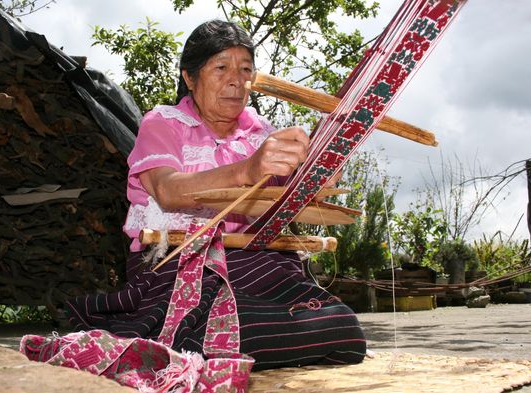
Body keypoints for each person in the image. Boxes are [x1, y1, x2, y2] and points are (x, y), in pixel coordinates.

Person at [65, 19, 366, 371]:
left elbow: (290, 198)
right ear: (190, 78)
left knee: (345, 330)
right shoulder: (163, 123)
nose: (236, 81)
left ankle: (195, 340)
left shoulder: (262, 133)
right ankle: (188, 334)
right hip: (179, 263)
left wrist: (320, 169)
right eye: (221, 67)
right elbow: (167, 190)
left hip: (257, 264)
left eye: (246, 70)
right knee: (239, 327)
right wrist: (247, 170)